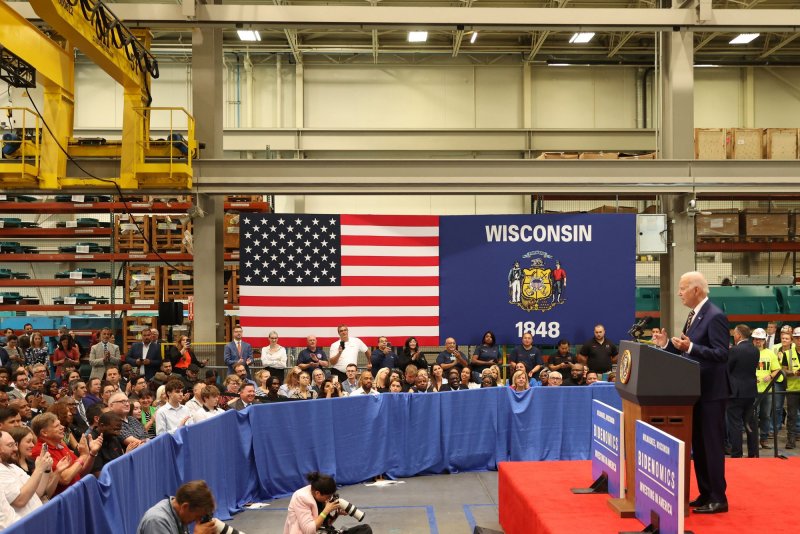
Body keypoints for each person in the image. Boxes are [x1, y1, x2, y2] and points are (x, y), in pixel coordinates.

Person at [652, 271, 730, 514]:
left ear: (697, 290)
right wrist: (667, 345)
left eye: (683, 288)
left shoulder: (715, 316)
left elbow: (721, 354)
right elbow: (689, 355)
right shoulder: (693, 315)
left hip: (712, 393)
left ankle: (718, 497)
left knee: (712, 445)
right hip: (695, 391)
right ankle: (705, 493)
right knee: (700, 445)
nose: (679, 293)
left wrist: (692, 346)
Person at [30, 412, 103, 495]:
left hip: (79, 493)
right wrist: (83, 456)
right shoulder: (40, 452)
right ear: (44, 433)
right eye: (57, 426)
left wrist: (92, 454)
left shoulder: (60, 444)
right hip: (66, 501)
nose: (62, 427)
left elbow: (81, 471)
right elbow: (65, 479)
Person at [284, 471, 372, 534]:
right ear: (318, 493)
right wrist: (326, 510)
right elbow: (309, 530)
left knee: (365, 529)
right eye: (328, 496)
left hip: (322, 531)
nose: (329, 499)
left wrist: (336, 515)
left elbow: (324, 524)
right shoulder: (301, 498)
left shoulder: (320, 496)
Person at [0, 430, 55, 525]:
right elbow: (20, 500)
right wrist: (39, 469)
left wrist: (45, 469)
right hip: (27, 526)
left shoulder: (12, 466)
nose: (15, 449)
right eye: (10, 445)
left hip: (40, 520)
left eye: (15, 444)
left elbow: (37, 492)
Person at [726, 324, 759, 458]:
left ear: (739, 335)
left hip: (736, 392)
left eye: (734, 334)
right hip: (751, 391)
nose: (733, 336)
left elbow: (727, 369)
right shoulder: (755, 350)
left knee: (735, 424)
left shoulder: (735, 350)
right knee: (750, 423)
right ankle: (753, 453)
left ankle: (737, 453)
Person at [137, 480, 219, 534]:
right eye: (197, 516)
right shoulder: (156, 521)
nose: (197, 521)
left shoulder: (179, 515)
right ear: (185, 507)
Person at [751, 328, 783, 449]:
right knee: (753, 416)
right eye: (756, 339)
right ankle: (754, 440)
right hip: (753, 390)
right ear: (753, 340)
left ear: (764, 341)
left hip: (767, 390)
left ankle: (763, 439)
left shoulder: (770, 354)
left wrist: (770, 376)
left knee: (765, 415)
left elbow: (777, 369)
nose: (758, 342)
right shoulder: (750, 352)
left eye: (760, 340)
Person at [781, 327, 800, 449]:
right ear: (793, 339)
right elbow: (783, 372)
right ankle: (791, 440)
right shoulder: (787, 354)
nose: (799, 341)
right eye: (797, 338)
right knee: (792, 416)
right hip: (793, 389)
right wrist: (794, 373)